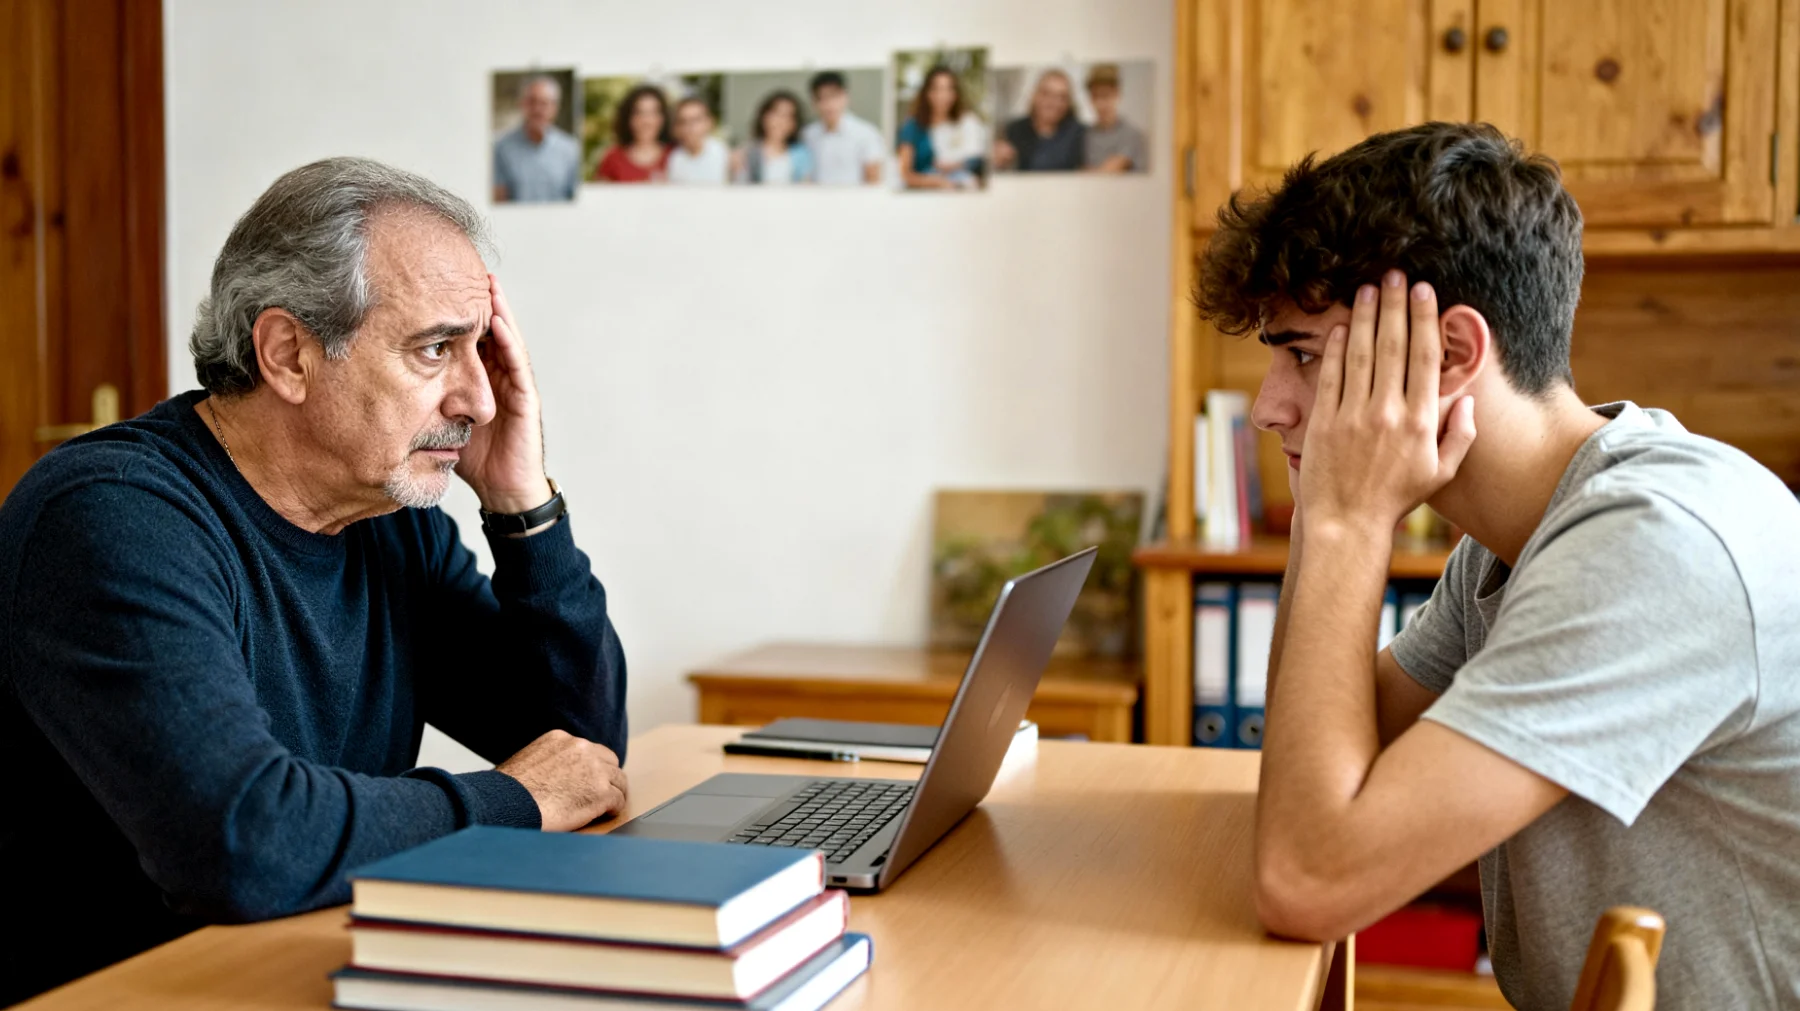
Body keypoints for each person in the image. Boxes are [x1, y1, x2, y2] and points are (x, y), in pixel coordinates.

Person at [1193, 122, 1800, 1010]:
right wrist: (1334, 513)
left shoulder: (1656, 542)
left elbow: (1310, 879)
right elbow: (1313, 772)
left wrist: (1347, 519)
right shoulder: (1512, 539)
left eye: (1303, 354)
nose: (1267, 407)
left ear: (1450, 354)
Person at [0, 158, 631, 1004]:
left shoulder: (390, 523)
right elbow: (246, 842)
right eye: (436, 348)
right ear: (289, 354)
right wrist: (515, 799)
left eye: (480, 350)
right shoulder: (112, 517)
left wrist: (522, 505)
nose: (480, 399)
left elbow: (582, 750)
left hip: (299, 974)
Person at [491, 74, 581, 202]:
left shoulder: (571, 149)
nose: (537, 109)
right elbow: (498, 200)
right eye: (532, 101)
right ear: (522, 104)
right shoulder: (501, 148)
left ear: (555, 108)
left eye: (544, 103)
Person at [896, 66, 988, 191]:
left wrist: (957, 167)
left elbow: (977, 157)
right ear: (927, 93)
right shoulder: (912, 127)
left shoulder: (966, 122)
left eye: (949, 89)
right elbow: (905, 175)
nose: (943, 96)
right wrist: (937, 182)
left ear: (956, 94)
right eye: (937, 89)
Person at [800, 70, 884, 185]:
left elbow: (873, 179)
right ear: (814, 103)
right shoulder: (808, 134)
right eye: (822, 98)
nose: (828, 104)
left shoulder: (866, 133)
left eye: (833, 96)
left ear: (845, 97)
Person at [993, 68, 1084, 173]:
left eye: (1062, 97)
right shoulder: (1014, 130)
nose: (1054, 103)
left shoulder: (1079, 133)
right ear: (1035, 96)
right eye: (1047, 94)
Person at [733, 90, 812, 186]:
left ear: (794, 124)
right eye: (776, 114)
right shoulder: (747, 152)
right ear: (764, 117)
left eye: (788, 116)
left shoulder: (801, 154)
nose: (781, 121)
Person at [595, 84, 671, 183]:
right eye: (639, 113)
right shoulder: (612, 158)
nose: (646, 121)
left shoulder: (674, 155)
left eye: (653, 113)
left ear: (663, 118)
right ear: (628, 119)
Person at [1082, 64, 1147, 174]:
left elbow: (1107, 173)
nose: (1101, 104)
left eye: (1106, 96)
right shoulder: (1086, 135)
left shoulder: (1131, 134)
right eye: (1096, 96)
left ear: (1117, 95)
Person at [667, 96, 729, 185]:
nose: (689, 127)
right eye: (683, 121)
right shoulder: (674, 158)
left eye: (695, 120)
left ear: (709, 122)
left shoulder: (724, 155)